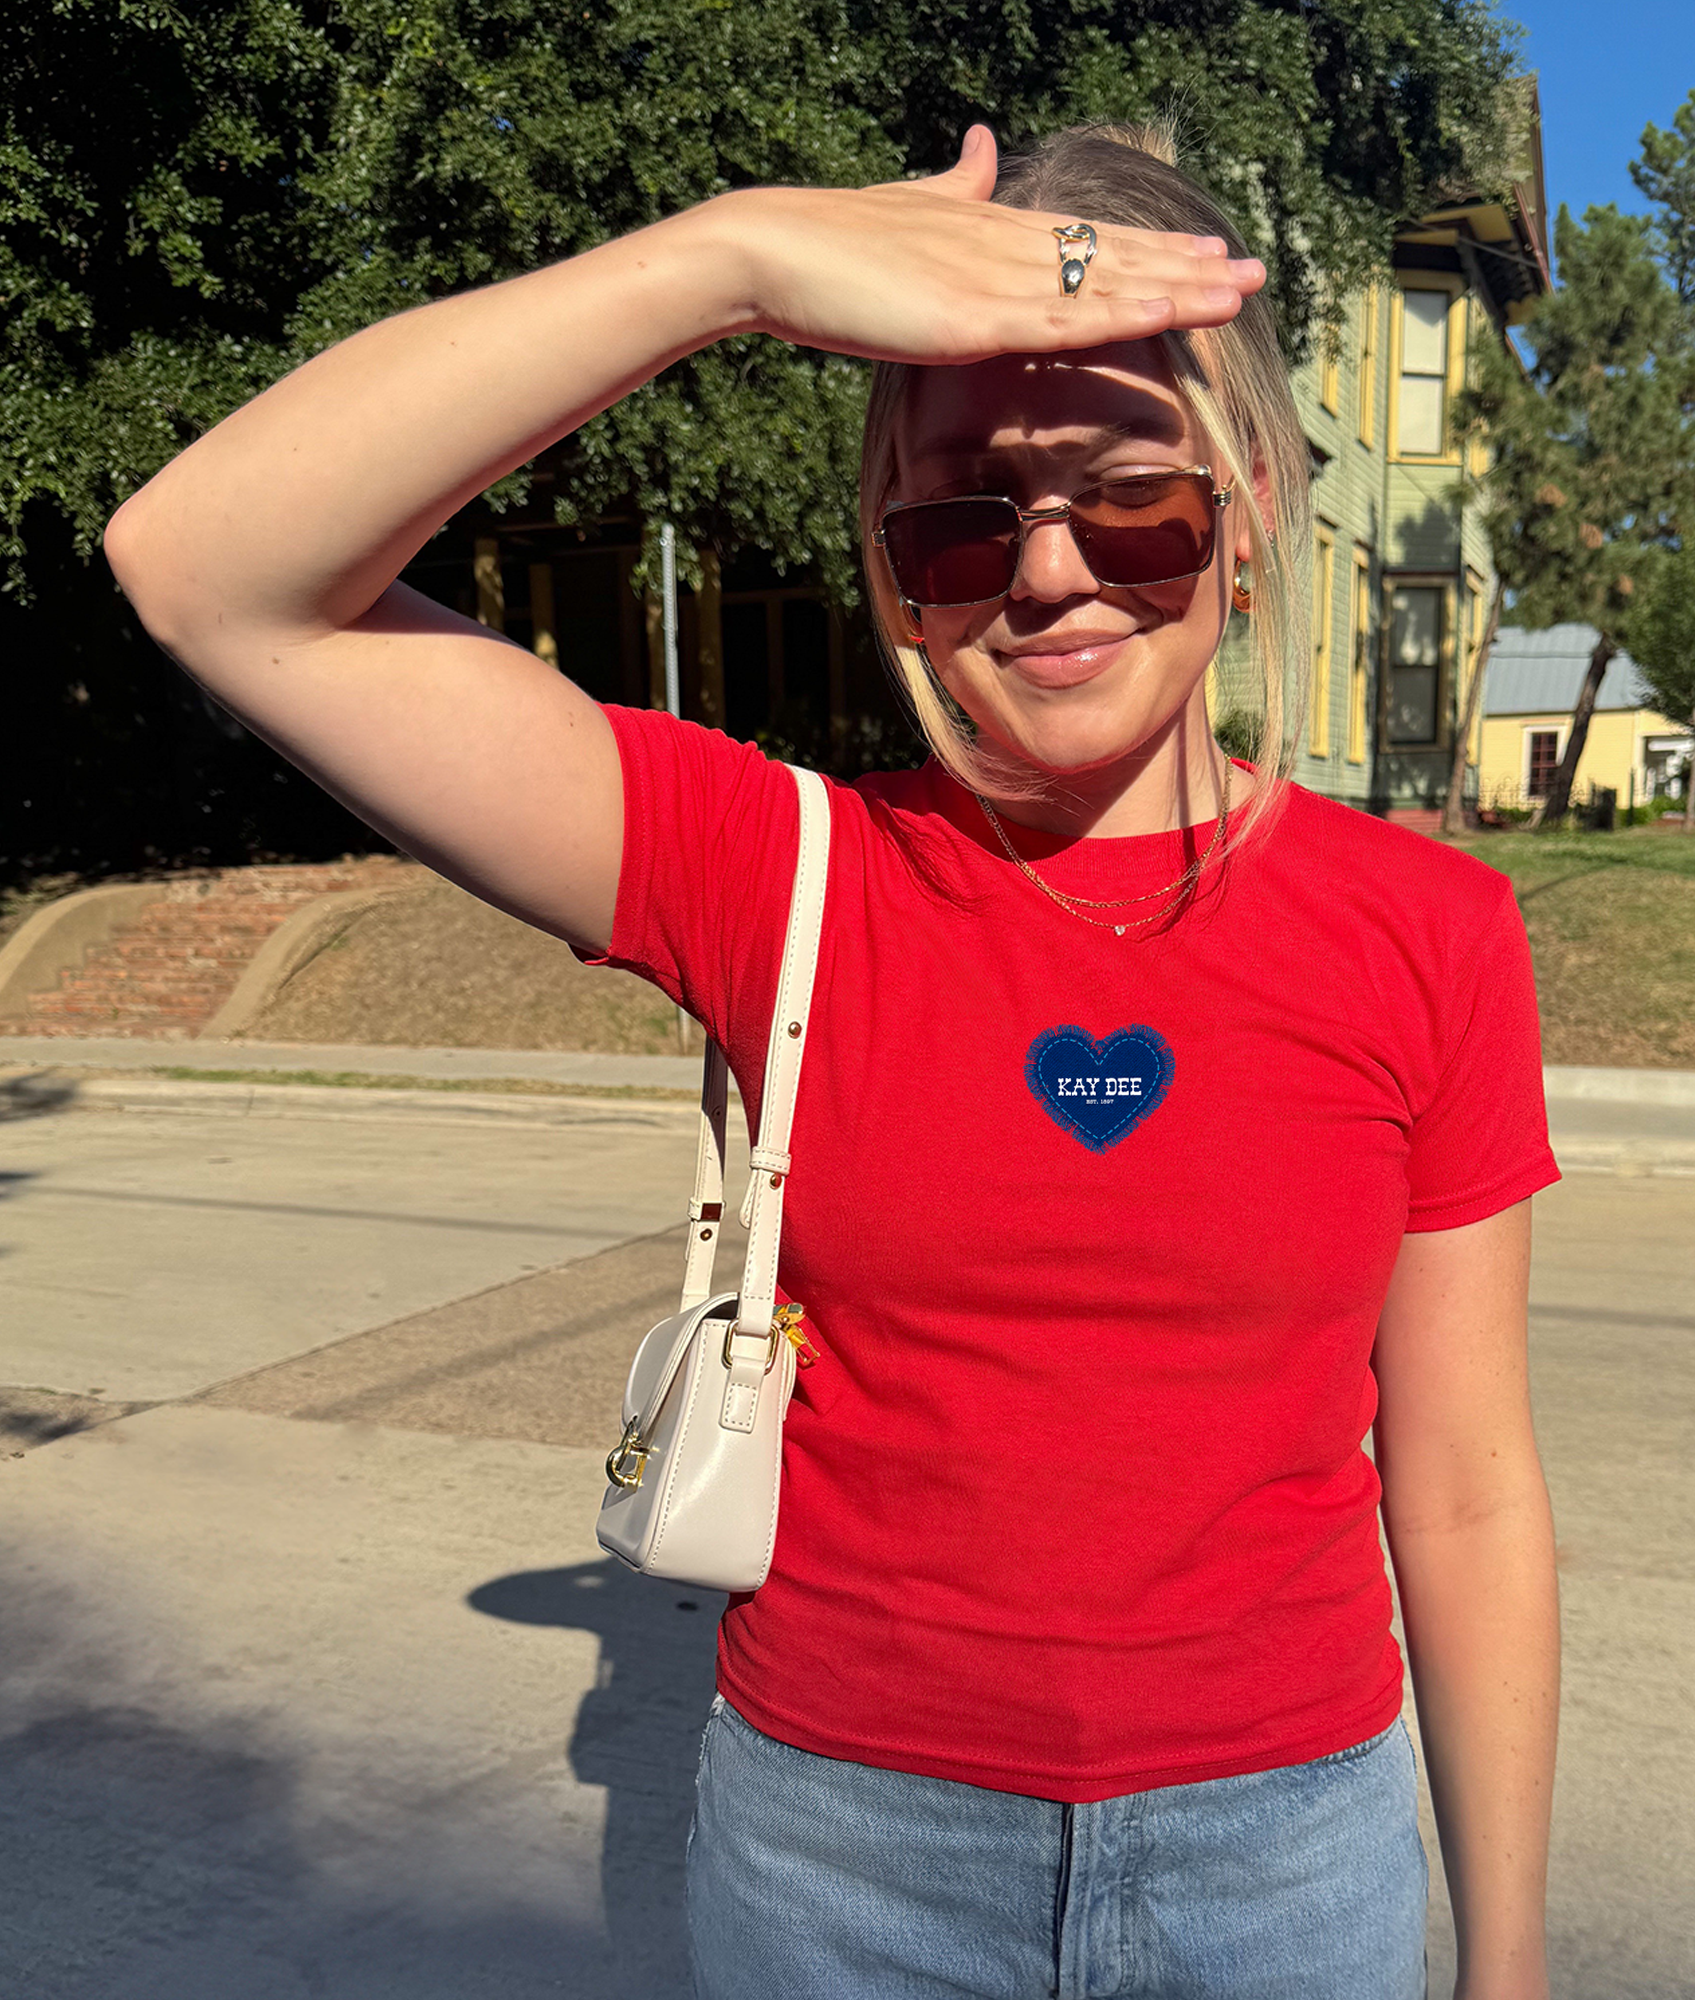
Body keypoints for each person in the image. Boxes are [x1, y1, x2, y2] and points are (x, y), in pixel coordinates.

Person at [106, 120, 1561, 2000]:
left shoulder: (1426, 932)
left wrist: (1508, 1951)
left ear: (1258, 505)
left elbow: (1462, 1482)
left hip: (1288, 1857)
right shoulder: (771, 866)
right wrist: (729, 259)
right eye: (961, 518)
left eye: (1134, 502)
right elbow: (206, 569)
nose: (1047, 579)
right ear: (890, 564)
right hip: (849, 1862)